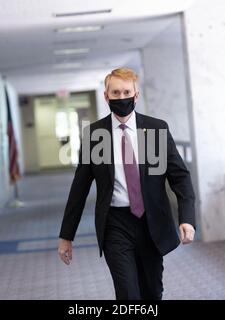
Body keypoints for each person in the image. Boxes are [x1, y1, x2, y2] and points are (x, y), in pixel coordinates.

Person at [58, 67, 196, 300]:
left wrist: (187, 219)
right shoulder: (94, 135)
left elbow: (179, 176)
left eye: (126, 92)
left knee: (152, 292)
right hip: (115, 224)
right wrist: (66, 236)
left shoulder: (155, 129)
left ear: (136, 95)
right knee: (128, 294)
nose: (121, 98)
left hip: (151, 222)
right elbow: (79, 189)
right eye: (115, 93)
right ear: (106, 96)